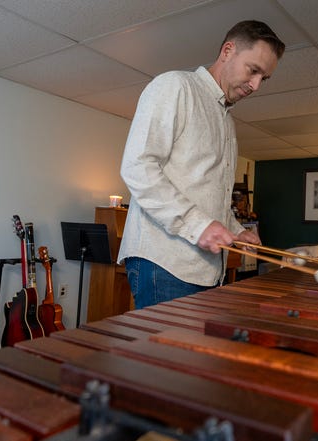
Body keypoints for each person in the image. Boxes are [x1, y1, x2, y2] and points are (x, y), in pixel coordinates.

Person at [118, 20, 285, 309]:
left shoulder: (227, 122)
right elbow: (138, 166)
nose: (256, 85)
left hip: (207, 272)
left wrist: (236, 231)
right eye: (253, 70)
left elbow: (209, 198)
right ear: (228, 51)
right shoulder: (175, 86)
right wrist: (198, 226)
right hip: (165, 264)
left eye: (264, 78)